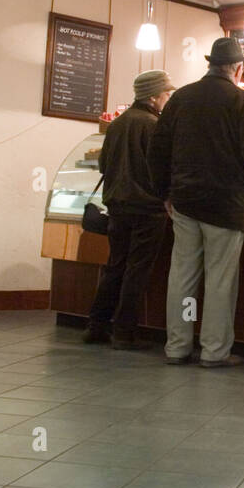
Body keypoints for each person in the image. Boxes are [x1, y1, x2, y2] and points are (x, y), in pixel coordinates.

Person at [148, 38, 244, 367]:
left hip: (185, 201)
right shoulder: (242, 101)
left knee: (183, 276)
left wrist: (165, 193)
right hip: (225, 204)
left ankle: (177, 347)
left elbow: (157, 149)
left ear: (210, 64)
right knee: (219, 281)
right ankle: (214, 351)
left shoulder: (181, 98)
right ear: (238, 68)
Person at [84, 70, 175, 349]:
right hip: (148, 209)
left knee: (115, 266)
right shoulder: (153, 125)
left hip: (117, 206)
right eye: (166, 94)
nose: (168, 98)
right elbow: (163, 170)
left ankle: (96, 325)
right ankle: (124, 332)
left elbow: (103, 166)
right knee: (137, 271)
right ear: (153, 96)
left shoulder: (118, 124)